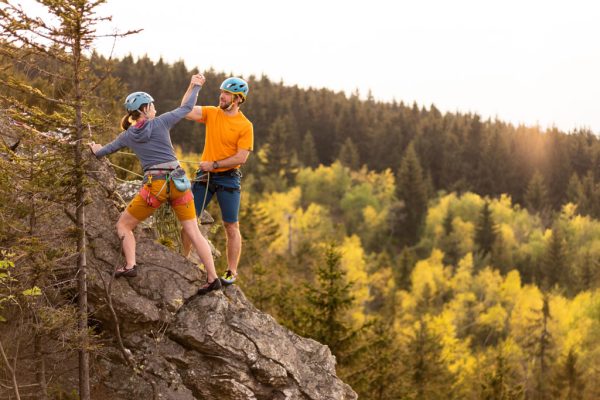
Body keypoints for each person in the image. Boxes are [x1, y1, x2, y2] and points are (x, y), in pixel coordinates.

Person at [89, 75, 222, 295]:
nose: (155, 108)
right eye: (152, 105)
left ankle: (131, 265)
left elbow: (103, 153)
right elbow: (188, 106)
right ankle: (212, 277)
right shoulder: (162, 122)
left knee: (124, 226)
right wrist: (196, 85)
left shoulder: (127, 135)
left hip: (155, 187)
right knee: (193, 231)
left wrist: (95, 148)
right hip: (179, 183)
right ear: (146, 108)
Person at [181, 75, 254, 286]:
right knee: (188, 220)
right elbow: (186, 110)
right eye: (221, 92)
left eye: (226, 93)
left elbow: (242, 157)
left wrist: (213, 164)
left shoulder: (245, 125)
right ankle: (183, 262)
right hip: (205, 176)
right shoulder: (213, 113)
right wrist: (193, 85)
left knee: (231, 226)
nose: (221, 96)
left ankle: (231, 271)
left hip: (228, 178)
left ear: (238, 99)